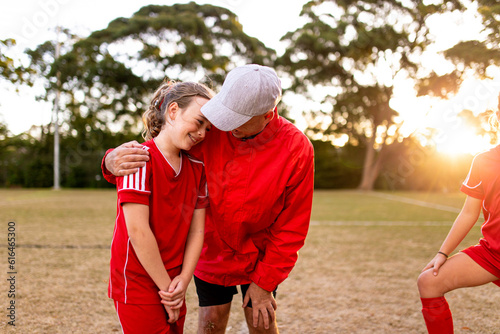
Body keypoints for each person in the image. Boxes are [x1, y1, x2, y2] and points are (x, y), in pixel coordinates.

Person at [102, 64, 315, 334]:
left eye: (238, 118)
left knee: (263, 324)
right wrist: (111, 161)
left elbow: (292, 226)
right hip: (212, 252)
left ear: (268, 115)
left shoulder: (297, 148)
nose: (221, 125)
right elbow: (161, 150)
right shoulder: (211, 126)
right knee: (210, 326)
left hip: (261, 256)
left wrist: (265, 281)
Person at [107, 81, 214, 334]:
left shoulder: (197, 168)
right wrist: (168, 291)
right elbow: (138, 231)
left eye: (208, 129)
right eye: (199, 122)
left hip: (174, 282)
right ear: (173, 111)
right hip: (138, 283)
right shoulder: (138, 158)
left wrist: (183, 281)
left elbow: (197, 232)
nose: (202, 133)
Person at [417, 94, 500, 334]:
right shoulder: (483, 161)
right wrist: (442, 253)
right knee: (428, 281)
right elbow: (468, 213)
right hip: (493, 253)